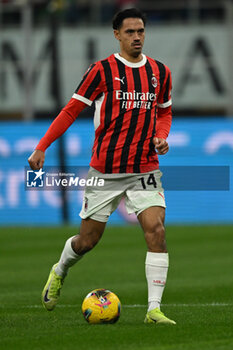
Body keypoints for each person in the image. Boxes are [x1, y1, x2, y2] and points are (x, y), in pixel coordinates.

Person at [28, 8, 176, 325]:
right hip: (105, 171)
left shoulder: (160, 72)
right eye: (130, 32)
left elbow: (164, 112)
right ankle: (60, 269)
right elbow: (70, 110)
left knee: (157, 232)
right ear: (117, 35)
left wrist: (162, 137)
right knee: (88, 241)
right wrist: (43, 146)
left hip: (145, 169)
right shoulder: (102, 71)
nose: (136, 37)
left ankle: (154, 309)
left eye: (141, 31)